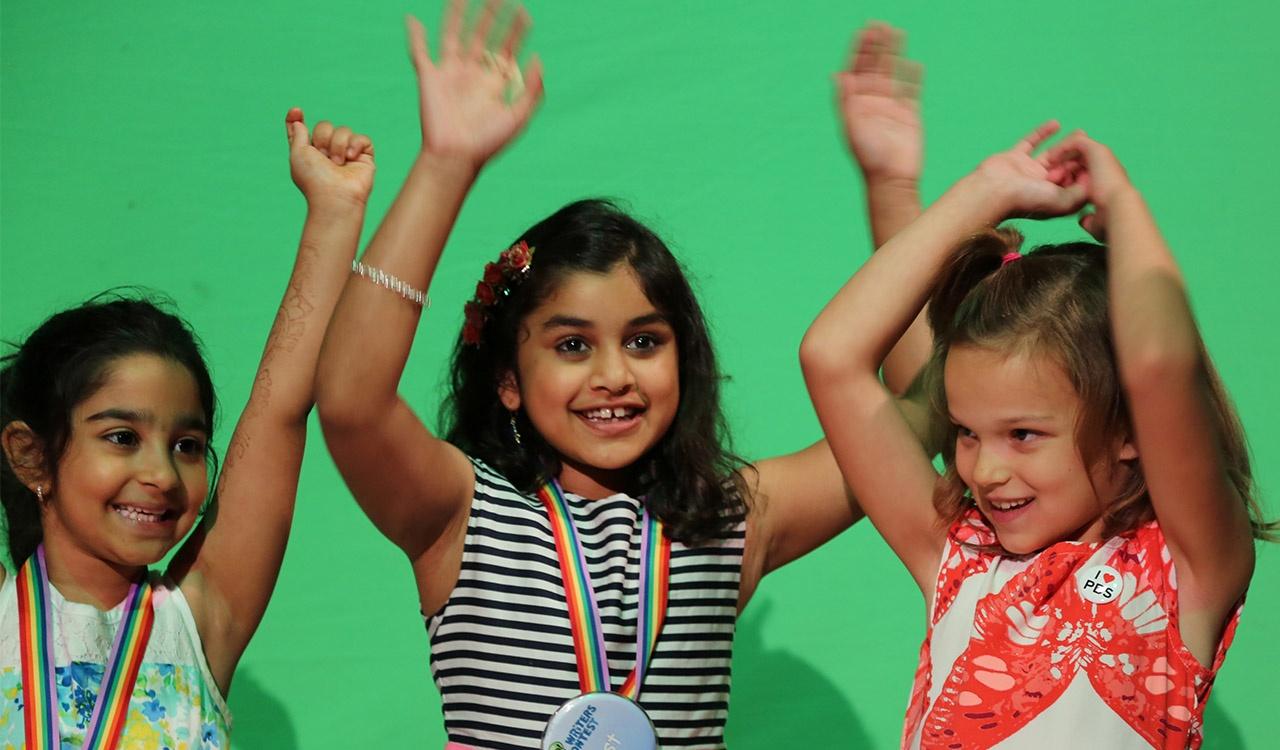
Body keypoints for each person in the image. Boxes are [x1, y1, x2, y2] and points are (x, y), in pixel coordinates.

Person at [315, 4, 931, 747]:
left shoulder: (733, 521)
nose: (615, 375)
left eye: (645, 341)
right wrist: (446, 163)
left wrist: (892, 193)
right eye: (572, 347)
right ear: (507, 379)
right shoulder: (462, 516)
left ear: (685, 358)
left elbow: (923, 409)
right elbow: (350, 401)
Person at [801, 126, 1275, 747]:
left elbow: (1160, 364)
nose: (985, 471)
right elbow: (831, 356)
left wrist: (1125, 208)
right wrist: (988, 190)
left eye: (1023, 434)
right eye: (967, 433)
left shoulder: (1183, 572)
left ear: (1130, 427)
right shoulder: (959, 559)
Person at [0, 108, 374, 747]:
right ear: (32, 456)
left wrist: (334, 216)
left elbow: (281, 410)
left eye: (188, 445)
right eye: (121, 437)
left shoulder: (197, 620)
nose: (161, 474)